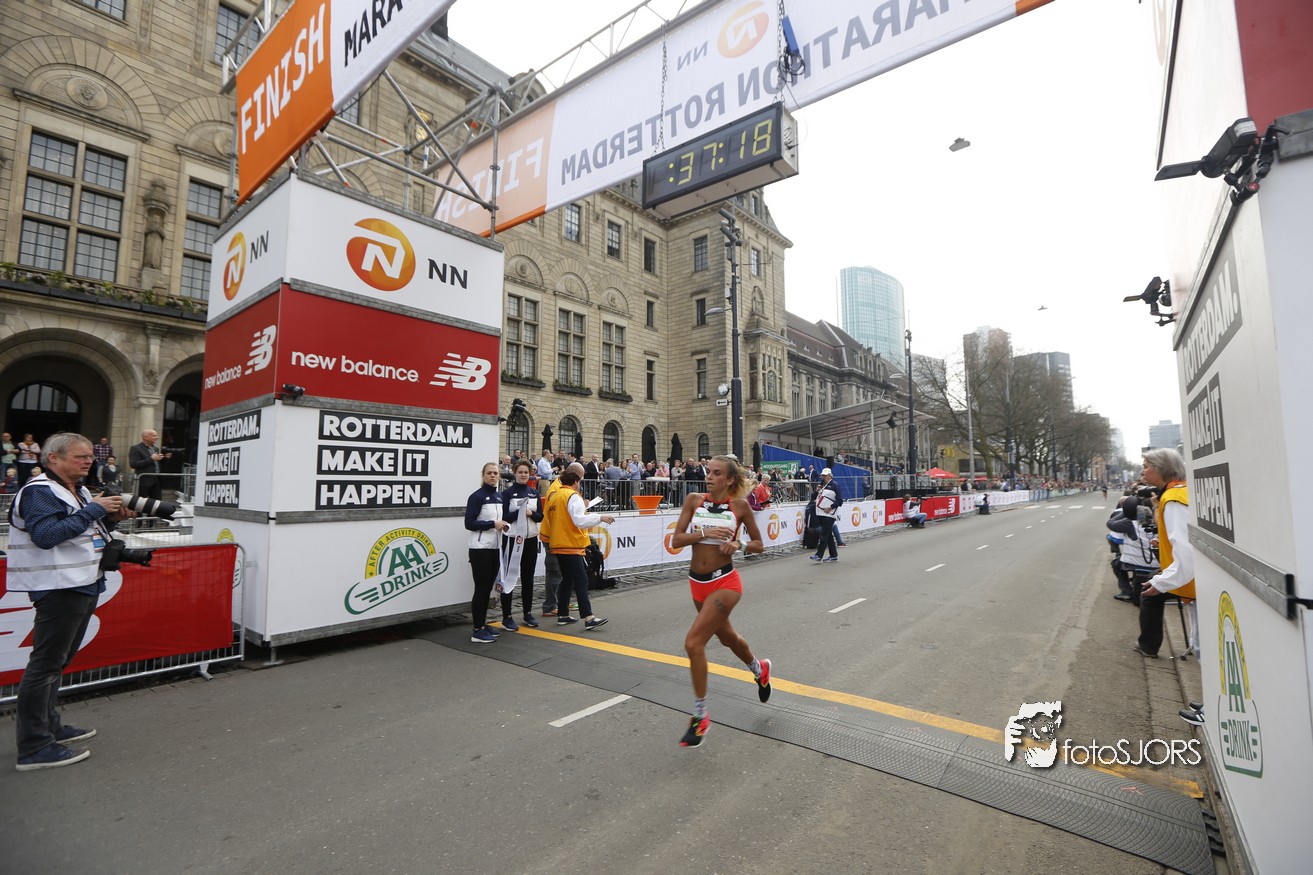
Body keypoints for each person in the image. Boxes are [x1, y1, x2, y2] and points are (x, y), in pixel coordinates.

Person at [8, 432, 136, 770]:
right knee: (45, 665)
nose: (89, 461)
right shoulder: (39, 491)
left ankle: (50, 727)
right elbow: (46, 536)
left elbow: (78, 530)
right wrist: (94, 509)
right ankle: (34, 747)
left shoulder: (75, 490)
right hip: (58, 588)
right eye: (81, 456)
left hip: (82, 583)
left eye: (90, 456)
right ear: (53, 458)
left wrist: (109, 519)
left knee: (57, 662)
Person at [670, 454, 769, 748]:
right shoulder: (693, 500)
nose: (709, 477)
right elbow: (676, 540)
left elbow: (759, 545)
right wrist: (705, 532)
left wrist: (738, 543)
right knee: (727, 638)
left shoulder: (739, 506)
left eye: (716, 473)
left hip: (725, 582)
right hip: (697, 584)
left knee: (693, 643)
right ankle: (759, 669)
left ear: (729, 479)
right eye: (708, 472)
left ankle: (700, 716)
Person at [1134, 449, 1195, 658]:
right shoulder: (1180, 491)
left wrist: (1162, 583)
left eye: (1146, 467)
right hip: (1188, 574)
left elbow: (1186, 551)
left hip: (1189, 577)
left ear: (1161, 469)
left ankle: (1148, 646)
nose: (1143, 472)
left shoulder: (1173, 499)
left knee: (1149, 587)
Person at [542, 467, 612, 630]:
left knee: (568, 579)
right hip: (571, 543)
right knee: (581, 579)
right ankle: (588, 617)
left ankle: (563, 614)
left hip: (558, 543)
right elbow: (580, 521)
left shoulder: (555, 495)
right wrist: (600, 517)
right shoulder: (572, 496)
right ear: (576, 481)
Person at [465, 462, 510, 644]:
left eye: (495, 473)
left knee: (488, 588)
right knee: (481, 588)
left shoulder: (498, 497)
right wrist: (492, 524)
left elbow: (498, 520)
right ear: (483, 475)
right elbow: (469, 523)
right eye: (489, 473)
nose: (493, 476)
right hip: (480, 548)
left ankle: (483, 624)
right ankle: (477, 630)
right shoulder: (477, 496)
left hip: (494, 548)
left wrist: (503, 524)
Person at [499, 459, 544, 628]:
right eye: (520, 472)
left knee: (528, 577)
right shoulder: (507, 493)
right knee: (509, 577)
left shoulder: (534, 493)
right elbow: (504, 517)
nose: (523, 475)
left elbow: (540, 516)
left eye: (526, 472)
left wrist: (531, 513)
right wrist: (519, 511)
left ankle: (527, 613)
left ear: (530, 474)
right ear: (515, 473)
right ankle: (507, 616)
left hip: (530, 540)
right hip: (512, 540)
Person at [809, 468, 843, 562]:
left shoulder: (835, 485)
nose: (823, 477)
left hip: (829, 514)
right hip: (821, 513)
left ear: (829, 476)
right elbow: (813, 497)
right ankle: (833, 555)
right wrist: (817, 491)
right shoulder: (822, 485)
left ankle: (818, 555)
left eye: (825, 476)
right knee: (828, 535)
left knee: (824, 534)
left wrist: (830, 507)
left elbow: (840, 501)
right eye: (823, 476)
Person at [128, 429, 171, 500]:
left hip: (156, 480)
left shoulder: (155, 449)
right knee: (141, 503)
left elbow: (156, 464)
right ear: (145, 437)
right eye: (154, 436)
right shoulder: (136, 448)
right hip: (143, 481)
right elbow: (133, 464)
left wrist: (165, 458)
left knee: (157, 502)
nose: (156, 437)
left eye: (156, 436)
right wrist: (151, 459)